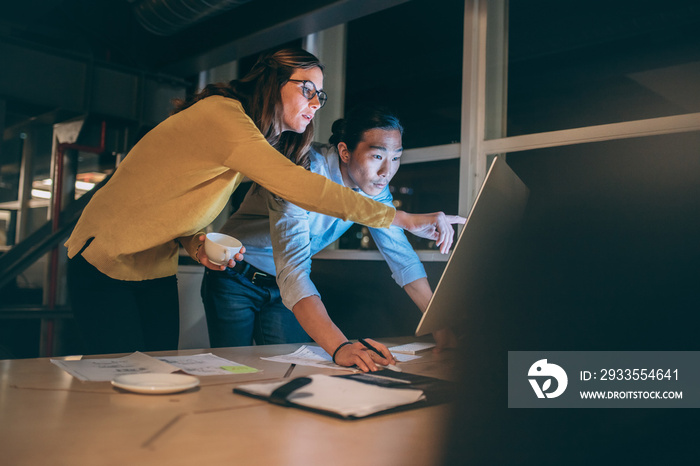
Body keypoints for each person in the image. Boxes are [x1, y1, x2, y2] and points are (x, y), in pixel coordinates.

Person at [65, 48, 460, 355]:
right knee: (116, 377)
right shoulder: (226, 118)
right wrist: (400, 217)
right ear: (272, 82)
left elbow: (180, 203)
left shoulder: (255, 139)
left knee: (154, 371)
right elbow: (298, 186)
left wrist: (195, 243)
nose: (315, 103)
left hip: (153, 264)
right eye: (307, 89)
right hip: (106, 255)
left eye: (320, 96)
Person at [202, 105, 463, 371]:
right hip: (235, 274)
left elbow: (402, 260)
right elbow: (294, 269)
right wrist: (340, 347)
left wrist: (439, 326)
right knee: (231, 368)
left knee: (289, 372)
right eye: (377, 156)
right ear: (345, 151)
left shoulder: (372, 188)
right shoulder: (302, 168)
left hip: (284, 290)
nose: (387, 170)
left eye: (396, 157)